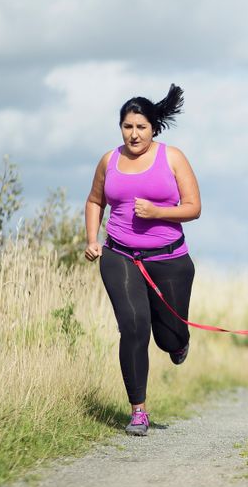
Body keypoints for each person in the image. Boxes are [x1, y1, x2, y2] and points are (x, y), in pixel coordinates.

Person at [84, 84, 201, 436]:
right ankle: (138, 410)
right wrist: (93, 240)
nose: (134, 134)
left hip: (169, 259)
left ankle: (179, 342)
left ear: (154, 128)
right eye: (127, 126)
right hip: (119, 255)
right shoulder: (110, 161)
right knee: (134, 326)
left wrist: (157, 212)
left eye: (141, 127)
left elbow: (193, 208)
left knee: (168, 337)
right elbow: (94, 201)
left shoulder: (173, 158)